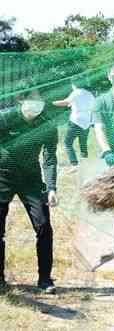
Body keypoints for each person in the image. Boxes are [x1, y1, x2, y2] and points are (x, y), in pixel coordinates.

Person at [0, 84, 58, 294]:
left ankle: (45, 279)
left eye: (40, 99)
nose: (37, 103)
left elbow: (50, 159)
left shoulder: (47, 125)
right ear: (20, 101)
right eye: (33, 99)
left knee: (44, 226)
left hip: (31, 180)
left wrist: (51, 187)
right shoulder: (5, 118)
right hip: (2, 176)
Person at [53, 76, 95, 171]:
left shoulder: (76, 92)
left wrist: (51, 103)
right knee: (83, 143)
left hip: (76, 122)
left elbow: (65, 102)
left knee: (67, 143)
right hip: (87, 122)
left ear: (74, 84)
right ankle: (85, 164)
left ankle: (74, 164)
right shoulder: (89, 94)